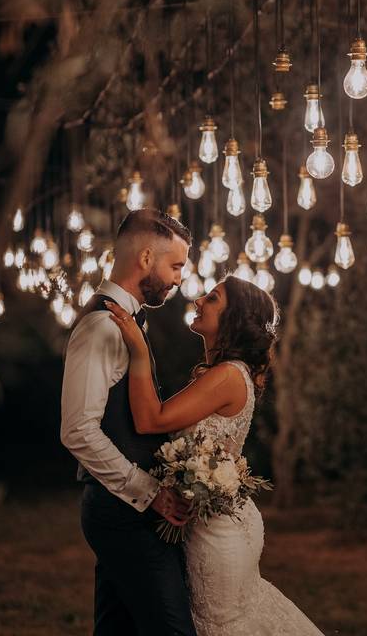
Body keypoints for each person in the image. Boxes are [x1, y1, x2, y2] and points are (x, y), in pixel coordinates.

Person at [106, 275, 323, 636]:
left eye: (213, 298)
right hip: (221, 522)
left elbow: (150, 420)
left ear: (233, 318)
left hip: (218, 535)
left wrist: (139, 351)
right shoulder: (228, 374)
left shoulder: (226, 375)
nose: (198, 300)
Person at [61, 209, 196, 635]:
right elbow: (77, 430)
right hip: (121, 513)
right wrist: (150, 492)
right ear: (144, 259)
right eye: (175, 265)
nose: (179, 279)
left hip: (126, 512)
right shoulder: (102, 326)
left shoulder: (128, 321)